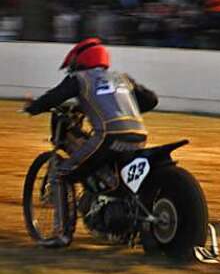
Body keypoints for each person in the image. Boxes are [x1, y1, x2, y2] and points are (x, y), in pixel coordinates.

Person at [23, 39, 158, 243]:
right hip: (139, 136)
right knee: (118, 181)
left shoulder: (80, 78)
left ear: (80, 60)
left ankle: (61, 235)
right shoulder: (122, 78)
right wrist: (124, 106)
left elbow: (54, 97)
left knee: (61, 174)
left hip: (108, 136)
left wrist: (33, 107)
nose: (72, 69)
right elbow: (151, 100)